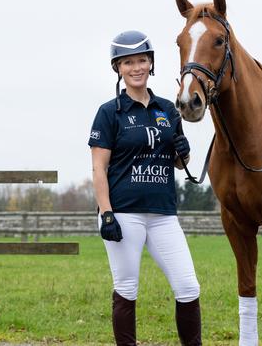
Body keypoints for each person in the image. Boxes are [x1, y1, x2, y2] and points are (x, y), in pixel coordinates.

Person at [88, 30, 201, 346]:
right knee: (126, 286)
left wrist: (184, 148)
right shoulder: (109, 112)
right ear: (118, 68)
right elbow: (99, 168)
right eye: (128, 62)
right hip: (124, 213)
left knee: (188, 286)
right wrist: (106, 213)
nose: (136, 67)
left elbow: (180, 164)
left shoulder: (167, 108)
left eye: (142, 60)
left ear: (151, 64)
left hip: (163, 213)